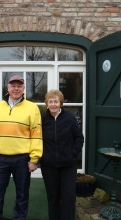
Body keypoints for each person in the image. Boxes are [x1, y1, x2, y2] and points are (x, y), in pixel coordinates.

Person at [0, 75, 43, 220]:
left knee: (22, 193)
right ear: (8, 88)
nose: (16, 89)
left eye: (19, 86)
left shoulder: (32, 108)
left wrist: (34, 158)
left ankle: (19, 218)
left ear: (23, 88)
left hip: (22, 159)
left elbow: (36, 135)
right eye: (13, 86)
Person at [40, 89, 84, 220]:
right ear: (47, 103)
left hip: (68, 166)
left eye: (56, 101)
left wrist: (73, 154)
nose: (53, 104)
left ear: (61, 103)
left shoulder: (69, 118)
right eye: (50, 101)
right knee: (53, 198)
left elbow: (79, 138)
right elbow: (36, 138)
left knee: (68, 198)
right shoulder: (43, 120)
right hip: (49, 166)